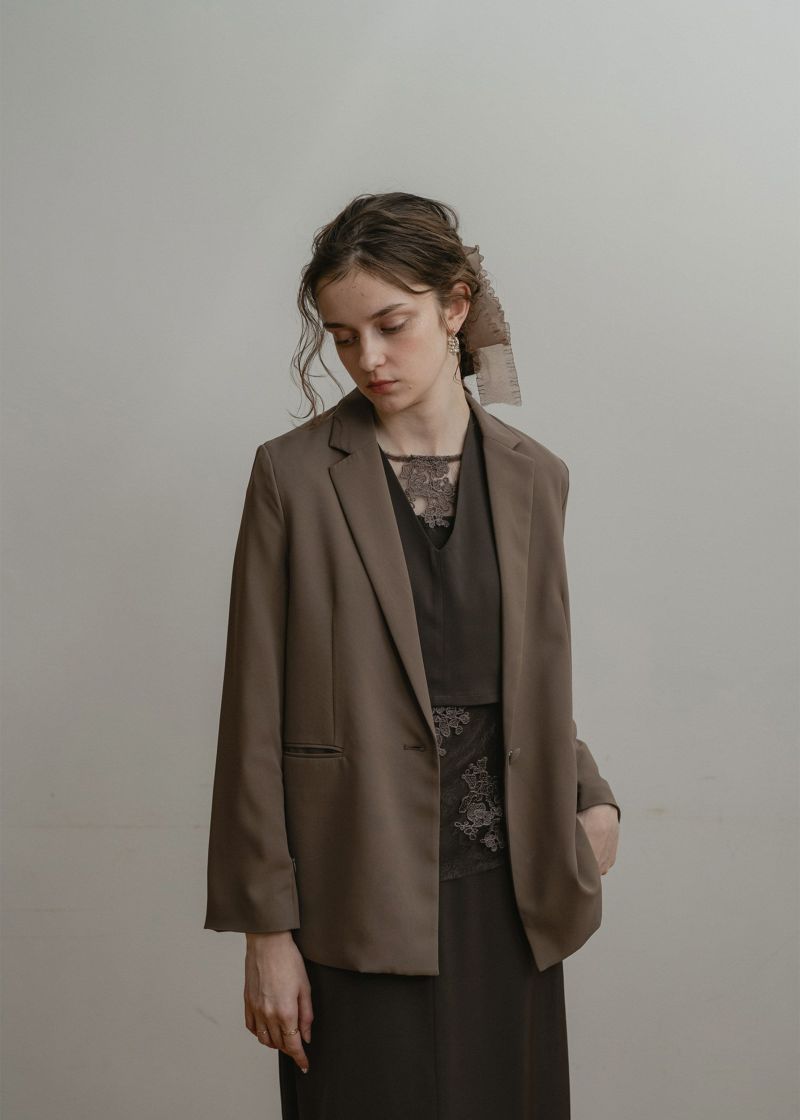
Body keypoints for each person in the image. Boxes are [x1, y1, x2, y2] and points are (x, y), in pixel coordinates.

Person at [204, 191, 621, 1119]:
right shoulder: (292, 477)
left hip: (512, 894)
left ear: (455, 306)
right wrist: (266, 931)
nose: (369, 360)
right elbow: (252, 712)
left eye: (391, 326)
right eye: (343, 338)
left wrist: (591, 796)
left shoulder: (535, 476)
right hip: (354, 887)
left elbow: (533, 679)